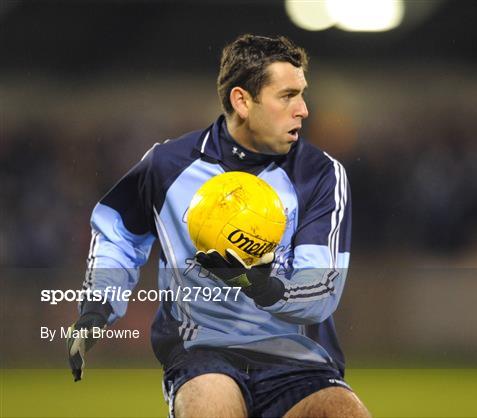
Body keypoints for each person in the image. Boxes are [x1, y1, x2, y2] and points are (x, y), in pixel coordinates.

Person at [67, 34, 371, 418]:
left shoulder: (320, 174)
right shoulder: (167, 165)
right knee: (209, 406)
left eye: (302, 94)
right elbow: (118, 234)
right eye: (287, 96)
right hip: (202, 352)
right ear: (242, 101)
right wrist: (97, 308)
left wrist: (265, 288)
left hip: (297, 358)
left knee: (344, 412)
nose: (304, 110)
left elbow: (322, 286)